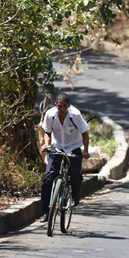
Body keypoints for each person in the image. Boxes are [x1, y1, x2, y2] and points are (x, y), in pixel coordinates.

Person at [39, 93, 89, 222]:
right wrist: (46, 144)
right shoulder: (50, 115)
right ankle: (45, 211)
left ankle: (74, 196)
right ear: (56, 104)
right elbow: (47, 132)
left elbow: (84, 134)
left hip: (73, 147)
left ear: (69, 106)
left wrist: (86, 151)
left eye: (65, 106)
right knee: (48, 178)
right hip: (56, 148)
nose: (62, 109)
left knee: (75, 175)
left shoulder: (75, 115)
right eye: (60, 106)